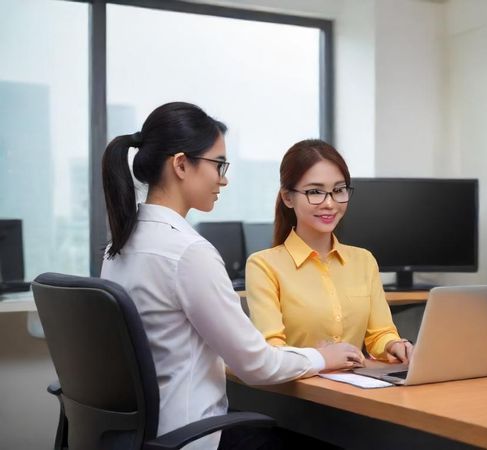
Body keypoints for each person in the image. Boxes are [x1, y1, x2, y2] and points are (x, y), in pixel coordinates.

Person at [100, 103, 363, 450]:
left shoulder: (117, 247)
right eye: (218, 164)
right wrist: (322, 356)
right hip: (192, 436)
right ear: (181, 164)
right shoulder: (188, 253)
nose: (223, 178)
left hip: (140, 436)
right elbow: (257, 365)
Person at [246, 139, 414, 363]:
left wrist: (393, 345)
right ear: (288, 197)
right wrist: (321, 358)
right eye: (315, 192)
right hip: (294, 392)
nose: (330, 203)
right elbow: (272, 349)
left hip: (353, 391)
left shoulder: (363, 260)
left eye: (338, 190)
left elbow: (380, 334)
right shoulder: (263, 266)